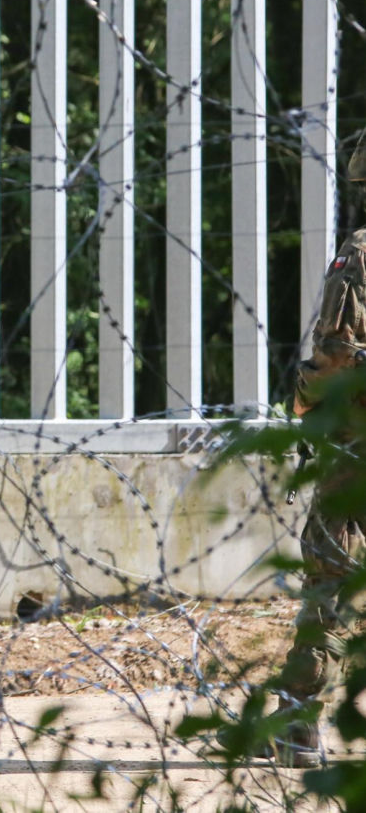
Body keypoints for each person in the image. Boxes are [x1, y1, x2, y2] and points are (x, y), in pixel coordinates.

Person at [220, 136, 366, 769]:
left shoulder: (359, 256)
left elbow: (336, 354)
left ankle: (299, 722)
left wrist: (302, 397)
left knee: (331, 577)